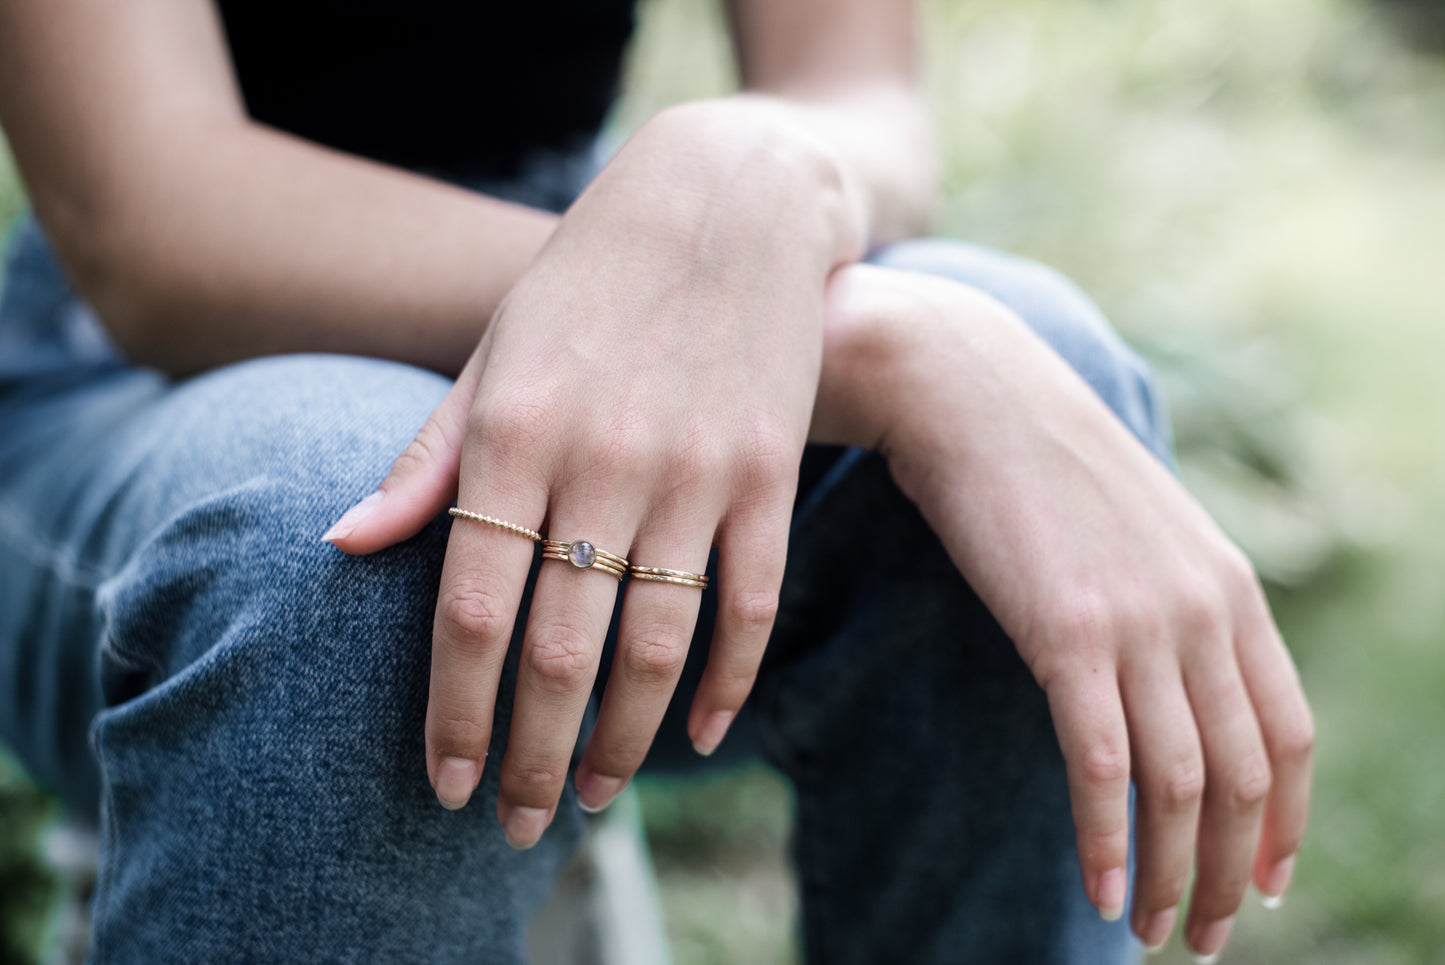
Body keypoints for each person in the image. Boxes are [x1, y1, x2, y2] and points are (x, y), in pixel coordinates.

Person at [0, 1, 1313, 962]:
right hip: (146, 360)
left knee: (1044, 360)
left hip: (603, 213)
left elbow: (857, 89)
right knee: (346, 539)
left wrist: (746, 170)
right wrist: (876, 342)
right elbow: (152, 226)